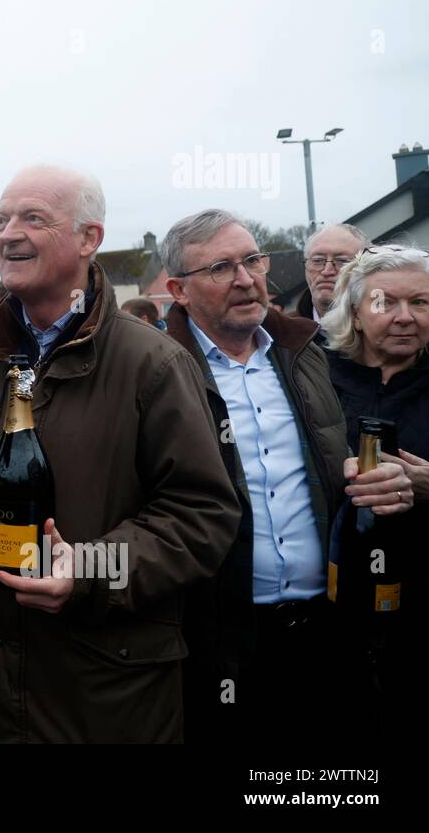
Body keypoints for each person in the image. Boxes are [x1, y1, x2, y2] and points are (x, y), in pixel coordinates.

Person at [0, 164, 241, 743]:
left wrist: (89, 569)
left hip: (102, 702)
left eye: (32, 218)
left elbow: (203, 515)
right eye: (1, 219)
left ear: (90, 239)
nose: (8, 234)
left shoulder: (154, 364)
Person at [160, 210, 414, 743]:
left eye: (253, 259)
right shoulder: (155, 370)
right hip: (219, 636)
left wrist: (366, 473)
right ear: (177, 290)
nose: (247, 279)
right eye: (221, 268)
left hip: (328, 625)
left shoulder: (311, 354)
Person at [320, 243, 429, 743]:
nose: (405, 317)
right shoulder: (313, 377)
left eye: (422, 303)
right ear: (356, 314)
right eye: (387, 302)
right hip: (324, 611)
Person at [297, 223, 367, 326]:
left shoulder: (383, 331)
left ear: (366, 268)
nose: (327, 271)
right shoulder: (282, 333)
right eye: (317, 260)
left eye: (342, 261)